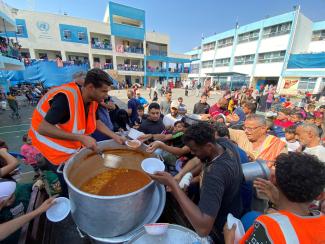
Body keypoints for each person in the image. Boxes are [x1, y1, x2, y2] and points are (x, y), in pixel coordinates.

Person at [29, 68, 124, 196]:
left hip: (71, 145)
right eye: (104, 91)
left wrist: (114, 136)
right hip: (51, 150)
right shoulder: (65, 98)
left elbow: (96, 121)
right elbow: (43, 128)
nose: (106, 95)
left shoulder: (93, 100)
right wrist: (81, 138)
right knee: (68, 185)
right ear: (90, 87)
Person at [150, 123, 243, 242]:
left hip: (222, 223)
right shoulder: (224, 144)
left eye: (194, 150)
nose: (192, 154)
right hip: (233, 202)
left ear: (209, 146)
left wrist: (173, 186)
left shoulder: (214, 174)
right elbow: (198, 161)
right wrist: (181, 176)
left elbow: (203, 229)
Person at [224, 152, 325, 244]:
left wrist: (229, 239)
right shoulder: (321, 219)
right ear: (320, 196)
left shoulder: (269, 225)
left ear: (273, 179)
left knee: (250, 217)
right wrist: (277, 200)